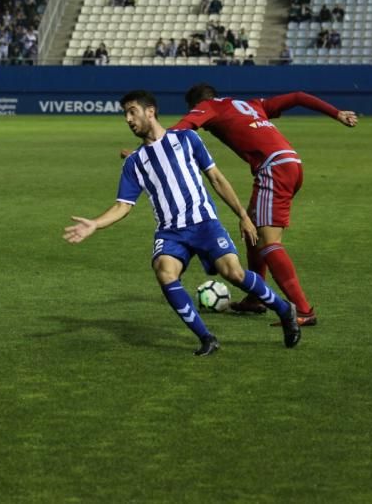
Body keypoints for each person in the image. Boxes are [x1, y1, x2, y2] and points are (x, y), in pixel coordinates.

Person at [65, 90, 301, 356]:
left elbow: (217, 179)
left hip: (204, 223)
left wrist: (243, 216)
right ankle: (206, 337)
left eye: (132, 112)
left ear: (150, 111)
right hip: (170, 232)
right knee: (164, 272)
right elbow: (123, 206)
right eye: (125, 115)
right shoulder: (134, 163)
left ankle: (284, 309)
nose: (128, 119)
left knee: (233, 273)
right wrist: (95, 224)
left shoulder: (187, 139)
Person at [122, 85, 358, 324]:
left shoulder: (208, 106)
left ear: (195, 105)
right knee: (253, 231)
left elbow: (174, 135)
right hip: (291, 162)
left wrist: (143, 155)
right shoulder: (252, 104)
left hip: (273, 167)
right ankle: (255, 298)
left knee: (269, 243)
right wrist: (336, 113)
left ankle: (304, 311)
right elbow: (297, 96)